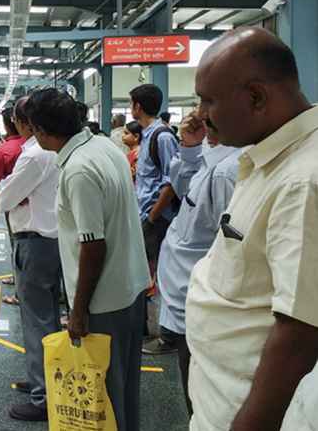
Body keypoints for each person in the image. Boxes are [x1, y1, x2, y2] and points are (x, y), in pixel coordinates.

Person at [187, 27, 318, 431]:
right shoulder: (269, 159)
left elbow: (299, 333)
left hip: (242, 411)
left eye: (209, 101)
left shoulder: (303, 180)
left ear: (256, 97)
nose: (201, 114)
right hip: (221, 396)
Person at [27, 88, 151, 431]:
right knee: (124, 387)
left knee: (103, 395)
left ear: (40, 130)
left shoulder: (79, 170)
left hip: (105, 301)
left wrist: (78, 311)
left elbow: (93, 245)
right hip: (131, 286)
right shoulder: (104, 147)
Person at [147, 108, 241, 415]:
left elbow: (229, 252)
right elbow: (186, 188)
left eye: (209, 101)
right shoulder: (211, 158)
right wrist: (189, 147)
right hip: (186, 300)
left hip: (201, 306)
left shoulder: (228, 171)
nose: (197, 112)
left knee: (202, 398)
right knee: (193, 391)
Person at [0, 96, 61, 422]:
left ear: (24, 123)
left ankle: (43, 398)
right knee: (49, 319)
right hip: (55, 243)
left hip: (34, 246)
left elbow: (6, 198)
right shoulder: (55, 151)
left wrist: (13, 189)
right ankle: (45, 382)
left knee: (37, 322)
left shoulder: (34, 156)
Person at [129, 83, 179, 353]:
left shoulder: (162, 137)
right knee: (146, 274)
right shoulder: (148, 135)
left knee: (157, 275)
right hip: (147, 215)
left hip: (155, 219)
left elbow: (171, 182)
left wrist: (152, 216)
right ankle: (147, 329)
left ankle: (165, 336)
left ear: (138, 106)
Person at [0, 105, 28, 305]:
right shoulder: (35, 146)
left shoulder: (5, 150)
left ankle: (20, 289)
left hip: (15, 205)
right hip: (41, 209)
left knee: (17, 245)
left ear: (7, 124)